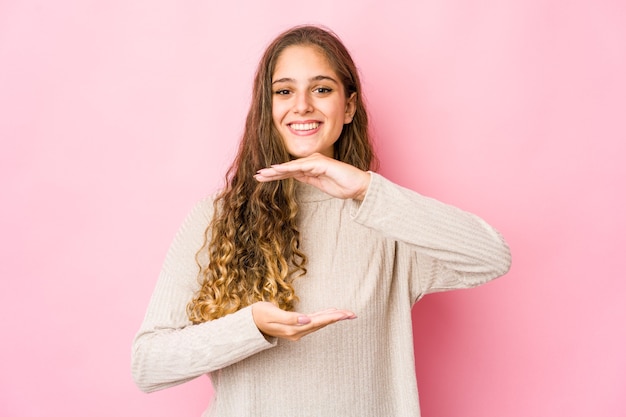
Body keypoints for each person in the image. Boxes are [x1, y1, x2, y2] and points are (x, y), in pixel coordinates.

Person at [131, 25, 511, 417]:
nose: (302, 106)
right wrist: (253, 327)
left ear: (348, 107)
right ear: (268, 108)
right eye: (284, 91)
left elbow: (491, 256)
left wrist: (365, 189)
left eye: (322, 89)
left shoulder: (386, 216)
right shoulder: (217, 216)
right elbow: (148, 364)